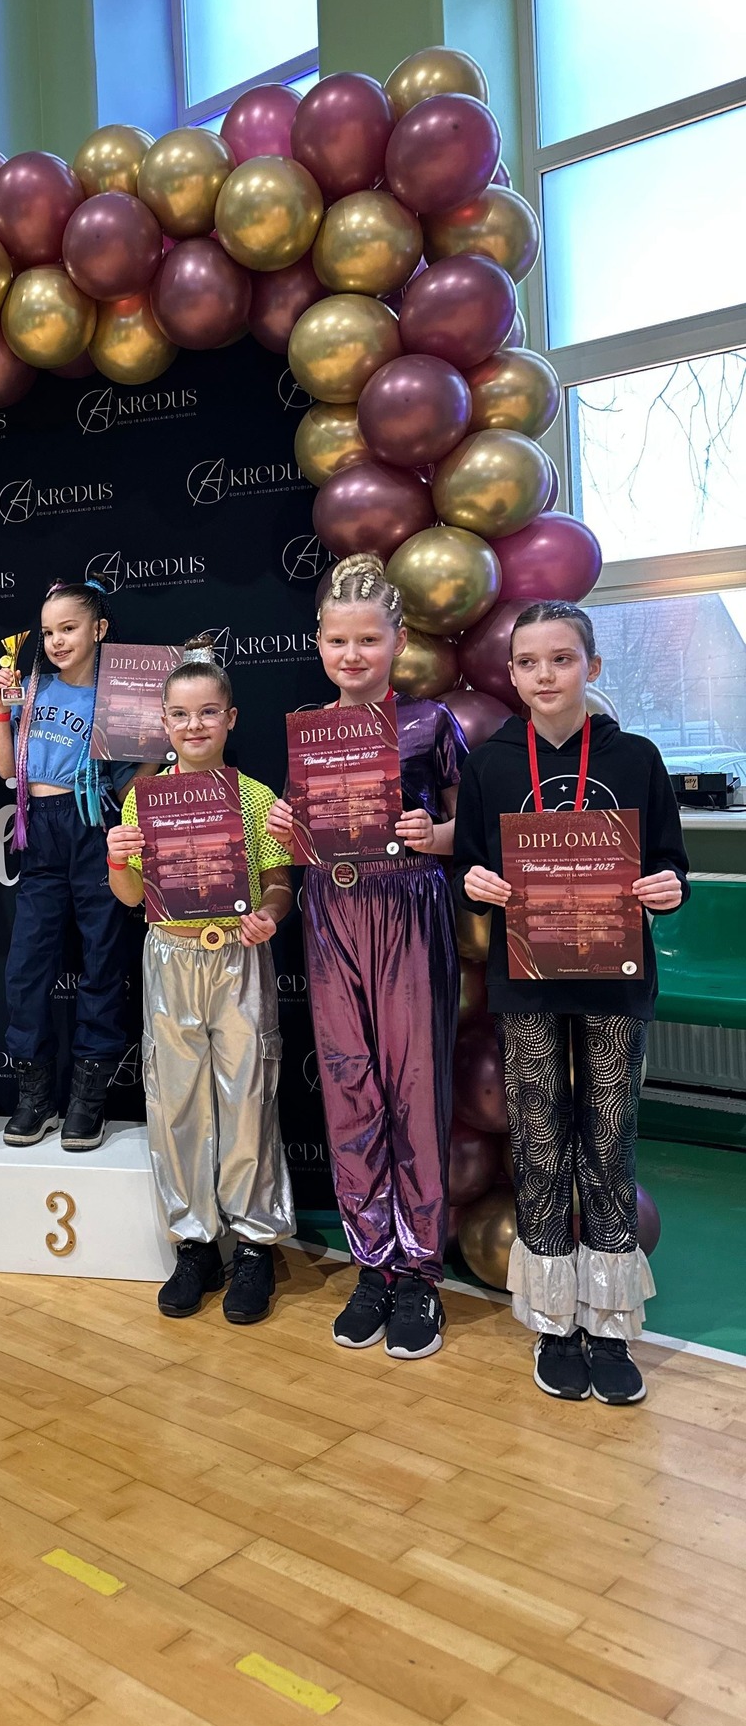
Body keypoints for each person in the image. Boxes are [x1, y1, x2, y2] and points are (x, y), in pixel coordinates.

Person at [454, 601, 687, 1405]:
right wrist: (476, 883)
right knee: (540, 1140)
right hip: (527, 980)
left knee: (609, 1143)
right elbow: (472, 869)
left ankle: (611, 1323)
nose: (545, 675)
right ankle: (555, 1319)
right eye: (528, 662)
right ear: (512, 673)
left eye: (561, 659)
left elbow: (671, 864)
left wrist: (668, 887)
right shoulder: (489, 764)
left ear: (593, 665)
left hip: (615, 980)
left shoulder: (638, 757)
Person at [265, 552, 465, 1361]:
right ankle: (372, 1263)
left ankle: (421, 1272)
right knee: (351, 1085)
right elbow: (307, 841)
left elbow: (473, 831)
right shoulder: (309, 731)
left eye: (369, 640)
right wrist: (286, 832)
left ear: (398, 641)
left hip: (409, 909)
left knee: (414, 1088)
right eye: (338, 640)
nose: (353, 655)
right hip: (332, 912)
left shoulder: (430, 723)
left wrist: (435, 835)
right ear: (319, 642)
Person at [106, 644, 296, 1323]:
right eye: (181, 714)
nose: (195, 726)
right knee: (177, 1100)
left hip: (237, 958)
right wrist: (118, 858)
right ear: (163, 721)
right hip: (171, 955)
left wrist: (269, 916)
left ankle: (254, 1244)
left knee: (248, 1096)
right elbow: (131, 896)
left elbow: (279, 884)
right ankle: (195, 1242)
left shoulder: (254, 797)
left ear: (230, 718)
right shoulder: (144, 799)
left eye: (208, 713)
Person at [0, 580, 141, 1151]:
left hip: (93, 823)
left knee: (103, 960)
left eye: (69, 628)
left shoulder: (117, 695)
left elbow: (134, 781)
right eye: (48, 631)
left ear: (99, 630)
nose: (55, 641)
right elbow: (8, 770)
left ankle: (87, 1099)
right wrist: (0, 712)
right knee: (26, 966)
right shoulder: (31, 688)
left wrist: (149, 764)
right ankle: (35, 1094)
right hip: (39, 831)